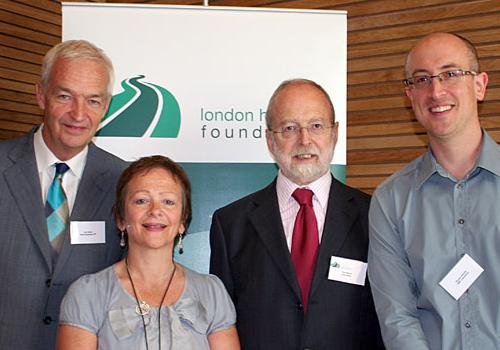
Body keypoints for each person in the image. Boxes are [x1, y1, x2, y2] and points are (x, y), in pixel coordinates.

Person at [210, 79, 384, 349]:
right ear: (270, 139)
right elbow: (221, 326)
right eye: (289, 128)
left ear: (334, 134)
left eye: (316, 126)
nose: (304, 140)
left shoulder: (375, 216)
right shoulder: (230, 224)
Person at [368, 32, 499, 350]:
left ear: (479, 85)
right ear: (410, 95)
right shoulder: (390, 201)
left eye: (451, 74)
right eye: (422, 79)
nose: (436, 91)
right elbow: (397, 318)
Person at [0, 40, 127, 350]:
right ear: (41, 95)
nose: (78, 114)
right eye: (65, 96)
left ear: (106, 106)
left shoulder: (124, 182)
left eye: (93, 100)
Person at [56, 156, 240, 350]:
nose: (155, 210)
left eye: (168, 201)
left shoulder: (212, 292)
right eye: (141, 200)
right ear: (120, 218)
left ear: (182, 222)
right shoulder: (87, 294)